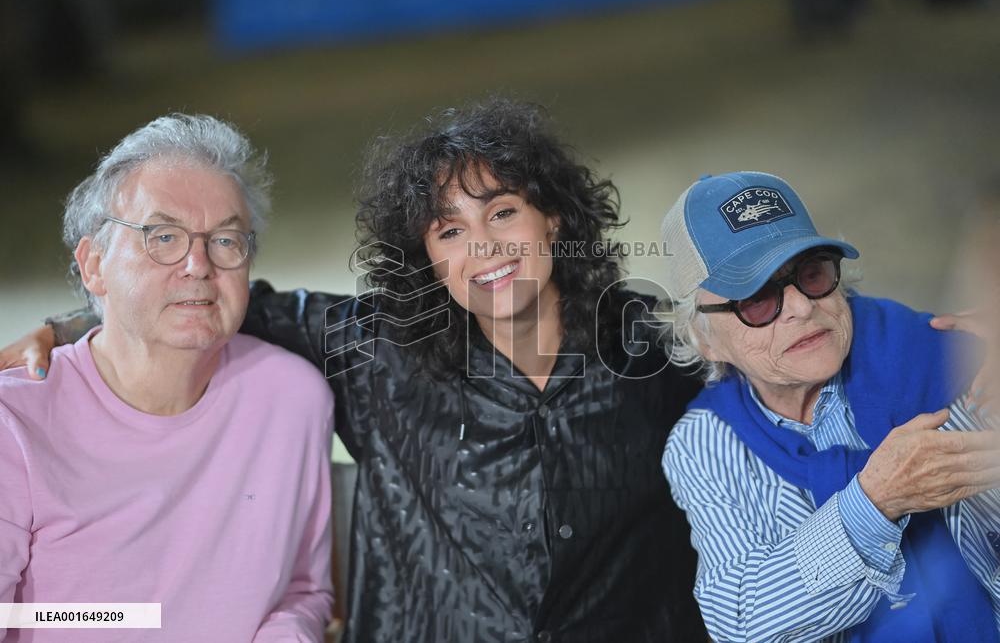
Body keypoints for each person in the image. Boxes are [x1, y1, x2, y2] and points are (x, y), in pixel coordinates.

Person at [2, 99, 706, 642]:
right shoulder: (379, 354)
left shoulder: (647, 349)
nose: (484, 245)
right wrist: (71, 323)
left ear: (553, 220)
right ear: (425, 256)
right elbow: (202, 301)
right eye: (450, 230)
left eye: (505, 211)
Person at [0, 114, 334, 641]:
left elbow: (303, 591)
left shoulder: (291, 400)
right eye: (162, 236)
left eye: (225, 240)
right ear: (93, 266)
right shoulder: (14, 425)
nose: (198, 265)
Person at [659, 170, 1000, 642]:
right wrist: (875, 503)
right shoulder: (704, 443)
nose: (801, 307)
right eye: (757, 300)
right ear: (705, 338)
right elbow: (741, 622)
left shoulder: (952, 358)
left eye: (812, 274)